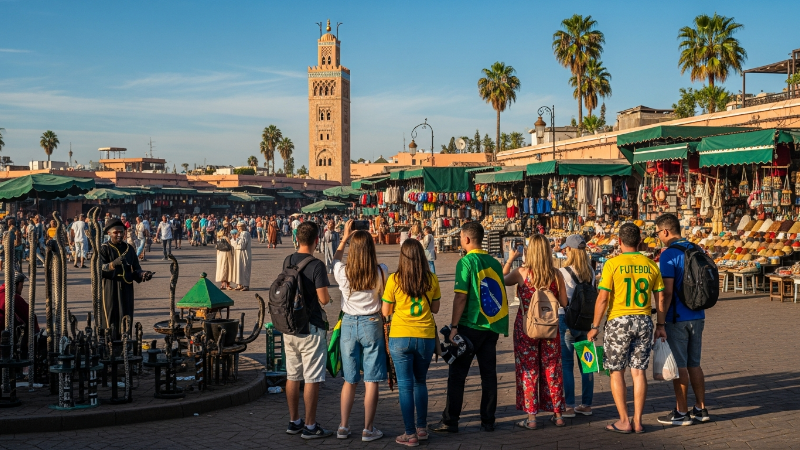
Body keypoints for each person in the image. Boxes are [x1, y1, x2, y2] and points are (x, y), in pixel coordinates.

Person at [587, 223, 665, 434]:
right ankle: (638, 421)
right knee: (639, 372)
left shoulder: (612, 264)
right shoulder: (651, 265)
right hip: (644, 320)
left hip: (619, 321)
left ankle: (623, 420)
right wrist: (660, 325)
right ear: (639, 241)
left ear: (619, 241)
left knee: (616, 371)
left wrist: (595, 326)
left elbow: (603, 298)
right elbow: (660, 298)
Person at [432, 221, 508, 434]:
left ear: (466, 239)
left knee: (457, 375)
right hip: (491, 326)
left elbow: (460, 297)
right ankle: (488, 420)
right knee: (488, 375)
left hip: (469, 325)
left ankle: (451, 420)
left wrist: (454, 326)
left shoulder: (465, 262)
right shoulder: (494, 263)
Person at [503, 234, 568, 429]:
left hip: (526, 328)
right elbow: (564, 302)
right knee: (552, 369)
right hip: (550, 328)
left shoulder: (521, 273)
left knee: (528, 370)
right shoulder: (556, 274)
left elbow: (502, 279)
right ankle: (558, 415)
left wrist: (510, 259)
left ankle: (531, 418)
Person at [332, 220, 388, 442]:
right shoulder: (381, 271)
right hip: (372, 322)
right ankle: (368, 429)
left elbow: (334, 260)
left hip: (348, 323)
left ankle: (343, 426)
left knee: (350, 379)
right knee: (371, 380)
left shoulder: (343, 272)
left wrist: (344, 238)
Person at [381, 238, 441, 446]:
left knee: (405, 386)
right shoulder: (431, 279)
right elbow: (435, 309)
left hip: (401, 336)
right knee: (420, 382)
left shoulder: (394, 279)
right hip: (425, 336)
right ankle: (422, 428)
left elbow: (386, 311)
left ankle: (410, 433)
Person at [654, 213, 709, 425]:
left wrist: (660, 322)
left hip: (677, 317)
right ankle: (701, 409)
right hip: (698, 314)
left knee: (680, 366)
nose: (658, 237)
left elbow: (666, 293)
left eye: (658, 233)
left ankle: (682, 412)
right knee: (695, 364)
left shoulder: (669, 255)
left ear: (665, 231)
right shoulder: (696, 249)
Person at [282, 221, 333, 439]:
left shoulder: (288, 260)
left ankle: (294, 421)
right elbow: (324, 299)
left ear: (297, 238)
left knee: (293, 375)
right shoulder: (317, 265)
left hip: (290, 326)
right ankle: (310, 426)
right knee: (312, 377)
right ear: (316, 240)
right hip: (311, 327)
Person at [556, 234, 596, 418]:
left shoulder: (563, 272)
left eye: (566, 249)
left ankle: (569, 406)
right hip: (586, 322)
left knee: (567, 364)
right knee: (587, 363)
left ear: (570, 250)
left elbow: (561, 298)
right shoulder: (591, 272)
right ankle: (587, 404)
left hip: (567, 320)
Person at [98, 218, 154, 337]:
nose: (119, 235)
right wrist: (113, 264)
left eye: (121, 232)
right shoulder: (104, 248)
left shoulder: (129, 249)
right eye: (116, 232)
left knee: (126, 315)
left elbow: (136, 269)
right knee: (111, 316)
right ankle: (110, 342)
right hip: (110, 287)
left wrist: (143, 274)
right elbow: (99, 269)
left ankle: (125, 341)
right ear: (109, 233)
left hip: (127, 288)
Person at [230, 221, 252, 291]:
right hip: (238, 253)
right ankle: (239, 284)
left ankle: (245, 285)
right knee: (238, 268)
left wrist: (234, 241)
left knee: (244, 268)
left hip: (243, 254)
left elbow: (242, 245)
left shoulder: (245, 233)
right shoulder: (240, 234)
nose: (237, 228)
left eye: (238, 227)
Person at [215, 221, 234, 290]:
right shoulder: (226, 235)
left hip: (220, 253)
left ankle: (223, 284)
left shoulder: (219, 235)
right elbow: (231, 244)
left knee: (222, 268)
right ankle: (226, 284)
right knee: (227, 268)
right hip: (226, 253)